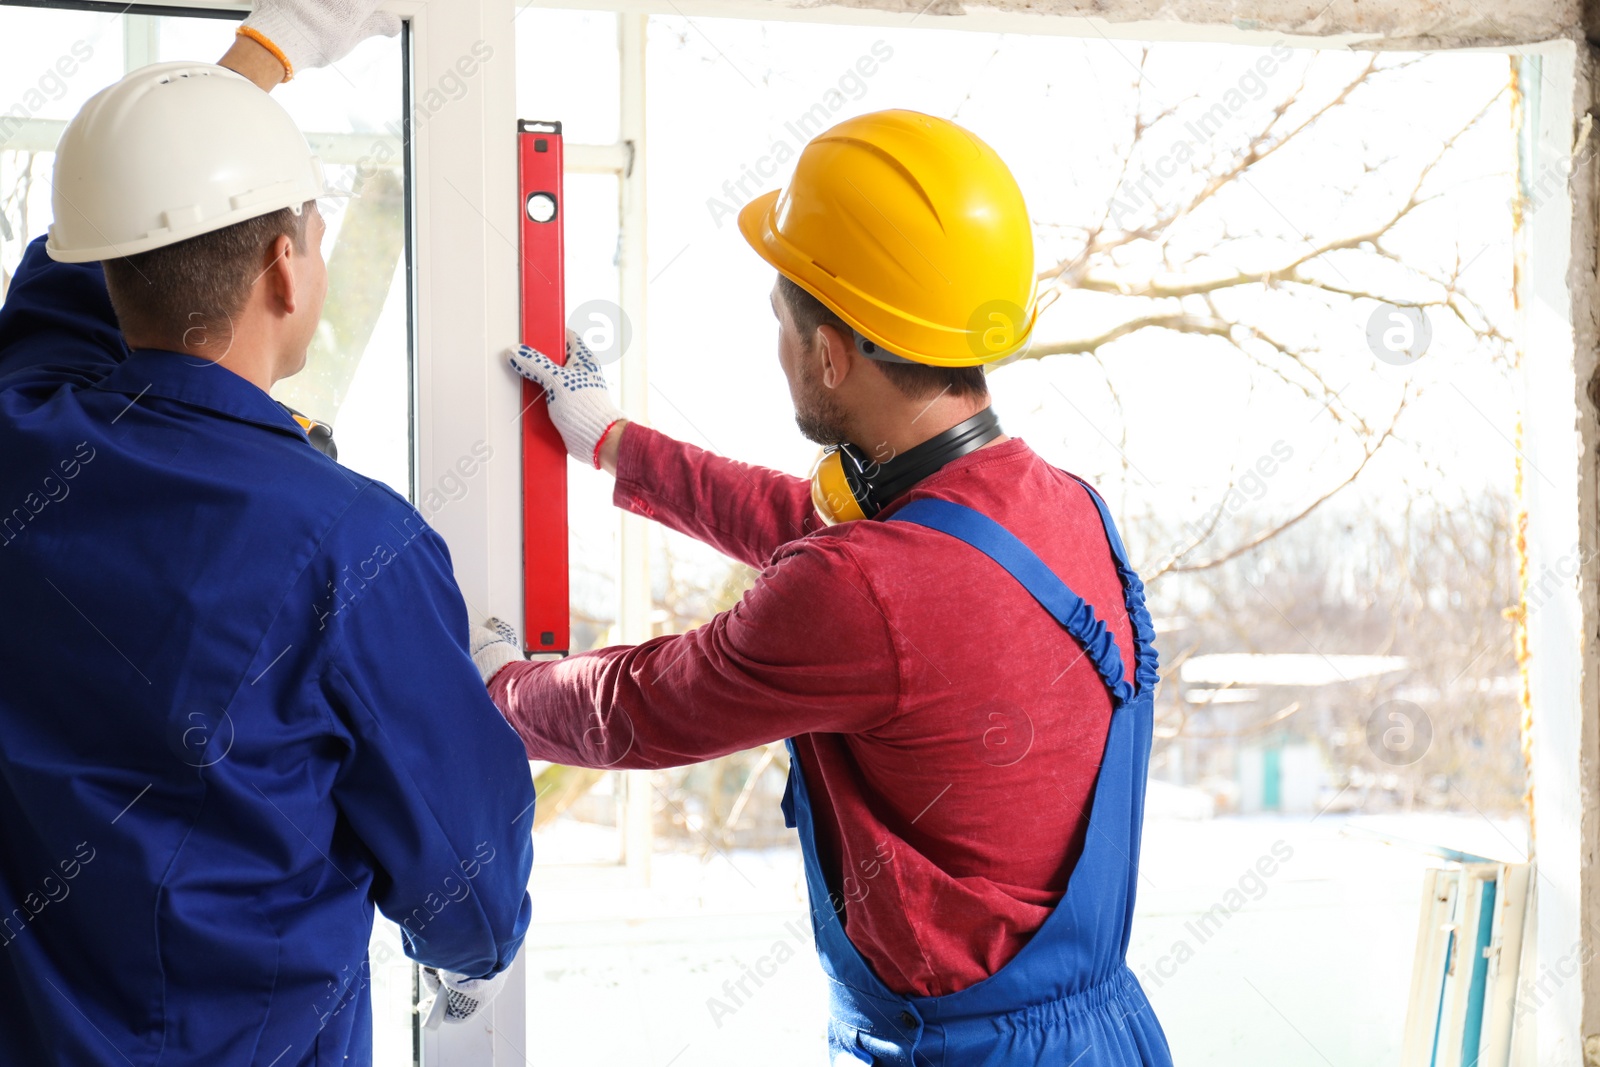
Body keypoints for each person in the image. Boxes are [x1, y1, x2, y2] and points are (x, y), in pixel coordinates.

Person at [476, 110, 1174, 1064]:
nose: (777, 346)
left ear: (832, 353)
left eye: (781, 323)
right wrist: (611, 441)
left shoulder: (862, 589)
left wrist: (498, 688)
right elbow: (831, 539)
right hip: (1110, 1033)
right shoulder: (1064, 509)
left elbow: (641, 705)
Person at [0, 9, 534, 1065]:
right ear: (287, 269)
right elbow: (471, 901)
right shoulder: (350, 545)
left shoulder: (23, 436)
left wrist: (257, 63)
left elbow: (80, 273)